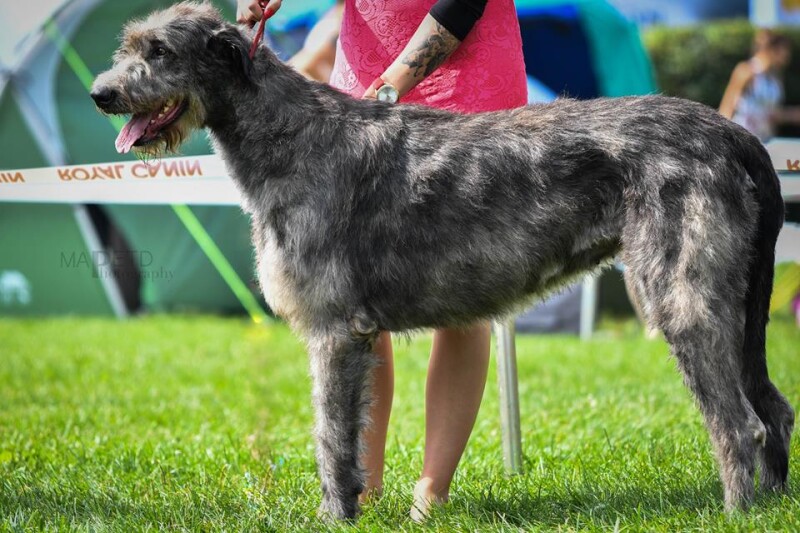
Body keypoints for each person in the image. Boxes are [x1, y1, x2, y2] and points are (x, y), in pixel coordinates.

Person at [237, 0, 528, 519]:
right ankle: (360, 489)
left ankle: (432, 493)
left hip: (467, 89)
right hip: (361, 89)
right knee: (355, 305)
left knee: (465, 299)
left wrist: (394, 84)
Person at [719, 29, 796, 142]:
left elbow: (773, 114)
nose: (787, 55)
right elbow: (727, 107)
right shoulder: (746, 70)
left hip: (764, 141)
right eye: (785, 50)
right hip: (741, 140)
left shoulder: (775, 78)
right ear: (772, 50)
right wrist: (721, 139)